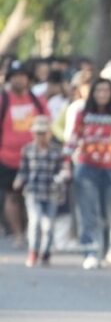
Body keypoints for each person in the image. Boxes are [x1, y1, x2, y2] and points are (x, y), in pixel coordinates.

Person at [67, 78, 111, 269]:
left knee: (108, 212)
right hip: (87, 167)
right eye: (99, 91)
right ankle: (90, 250)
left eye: (106, 91)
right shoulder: (83, 114)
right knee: (89, 212)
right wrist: (66, 163)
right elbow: (73, 138)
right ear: (93, 93)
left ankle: (105, 250)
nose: (102, 94)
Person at [0, 62, 49, 248]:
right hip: (8, 157)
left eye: (22, 75)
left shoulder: (37, 101)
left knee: (34, 197)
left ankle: (33, 232)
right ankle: (18, 234)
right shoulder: (3, 100)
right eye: (15, 76)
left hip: (36, 158)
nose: (19, 79)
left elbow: (47, 124)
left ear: (28, 79)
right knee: (12, 196)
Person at [13, 116, 64, 267]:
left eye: (43, 132)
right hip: (33, 191)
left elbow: (61, 170)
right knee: (34, 222)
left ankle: (46, 252)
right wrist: (19, 180)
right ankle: (33, 251)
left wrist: (61, 178)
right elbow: (23, 170)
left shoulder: (56, 151)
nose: (40, 136)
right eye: (38, 133)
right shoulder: (28, 149)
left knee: (48, 225)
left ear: (49, 133)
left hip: (51, 191)